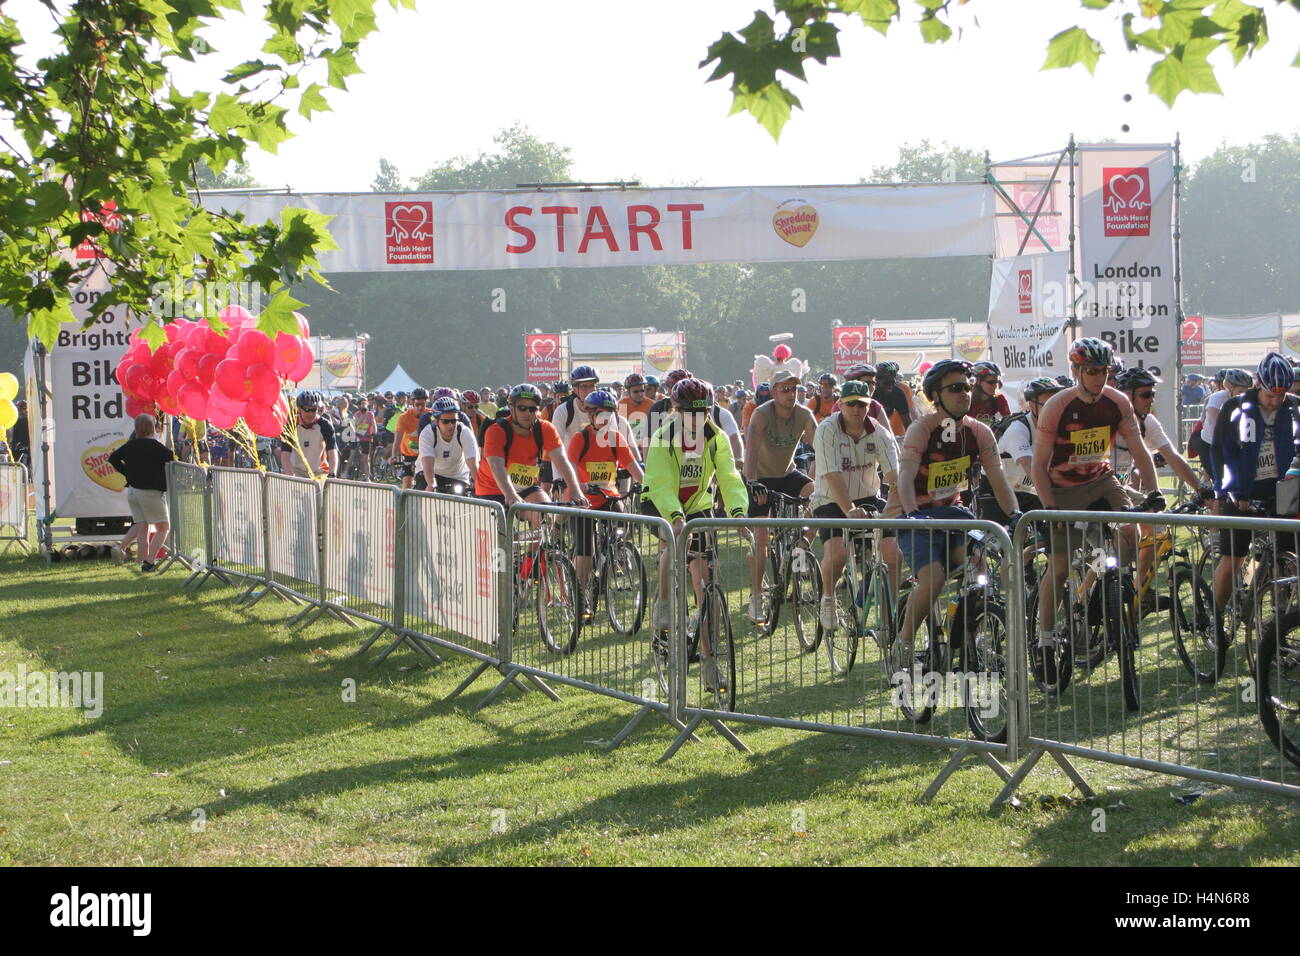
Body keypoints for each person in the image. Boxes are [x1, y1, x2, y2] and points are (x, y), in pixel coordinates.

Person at [1030, 338, 1160, 687]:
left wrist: (1154, 491)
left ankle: (1108, 587)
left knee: (1132, 531)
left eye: (1104, 370)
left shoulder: (1117, 402)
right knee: (1058, 568)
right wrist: (1050, 508)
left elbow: (1140, 451)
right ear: (1076, 371)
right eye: (1092, 371)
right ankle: (1044, 639)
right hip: (1061, 488)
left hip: (1101, 480)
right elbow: (1039, 467)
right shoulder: (1057, 406)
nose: (1099, 377)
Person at [888, 360, 1020, 674]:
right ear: (936, 394)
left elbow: (998, 480)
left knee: (977, 565)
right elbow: (905, 477)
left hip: (953, 514)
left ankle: (971, 632)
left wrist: (1015, 514)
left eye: (968, 387)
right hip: (916, 514)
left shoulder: (978, 431)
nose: (965, 393)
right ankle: (902, 644)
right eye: (955, 388)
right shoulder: (923, 428)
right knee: (933, 578)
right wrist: (913, 514)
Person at [643, 378, 748, 693]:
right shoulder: (664, 437)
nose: (698, 418)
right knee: (671, 549)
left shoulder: (715, 438)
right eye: (690, 412)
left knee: (704, 582)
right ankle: (663, 606)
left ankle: (709, 661)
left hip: (698, 505)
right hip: (660, 501)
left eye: (704, 412)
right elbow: (661, 484)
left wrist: (739, 514)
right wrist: (675, 519)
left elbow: (729, 477)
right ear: (677, 411)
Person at [1208, 353, 1300, 653]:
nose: (1275, 400)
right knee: (1232, 559)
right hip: (1242, 492)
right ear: (1259, 385)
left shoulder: (1292, 409)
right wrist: (1230, 491)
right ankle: (1216, 617)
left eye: (1281, 394)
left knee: (1286, 554)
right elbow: (1220, 450)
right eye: (1271, 394)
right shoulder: (1236, 407)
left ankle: (1278, 617)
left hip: (1280, 491)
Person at [811, 380, 900, 629]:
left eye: (862, 404)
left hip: (868, 497)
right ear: (840, 404)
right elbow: (831, 473)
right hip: (830, 498)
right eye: (851, 404)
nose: (856, 409)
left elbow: (894, 473)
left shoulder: (879, 431)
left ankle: (888, 618)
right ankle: (828, 598)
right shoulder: (827, 429)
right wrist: (849, 509)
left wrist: (898, 500)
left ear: (869, 406)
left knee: (893, 554)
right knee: (838, 552)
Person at [744, 368, 817, 623]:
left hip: (787, 473)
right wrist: (751, 483)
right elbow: (751, 450)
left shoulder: (805, 414)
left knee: (818, 496)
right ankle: (756, 596)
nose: (790, 394)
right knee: (761, 537)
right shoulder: (761, 414)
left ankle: (803, 544)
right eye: (785, 389)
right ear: (773, 392)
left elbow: (820, 446)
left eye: (794, 389)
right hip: (760, 477)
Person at [567, 390, 644, 616]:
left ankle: (614, 552)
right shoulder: (580, 438)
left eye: (608, 414)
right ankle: (580, 596)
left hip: (607, 497)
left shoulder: (615, 438)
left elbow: (633, 467)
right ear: (590, 415)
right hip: (583, 501)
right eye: (599, 414)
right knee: (585, 552)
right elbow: (569, 465)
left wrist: (648, 485)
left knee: (622, 524)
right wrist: (576, 485)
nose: (604, 419)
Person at [475, 384, 588, 520]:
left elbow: (561, 460)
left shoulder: (545, 429)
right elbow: (496, 466)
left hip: (525, 487)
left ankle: (539, 541)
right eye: (522, 408)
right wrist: (510, 494)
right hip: (492, 487)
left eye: (532, 408)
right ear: (511, 408)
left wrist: (575, 490)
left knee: (544, 513)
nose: (527, 413)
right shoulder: (496, 431)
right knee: (499, 534)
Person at [108, 413, 174, 572]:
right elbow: (171, 458)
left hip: (133, 490)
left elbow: (113, 458)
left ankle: (128, 551)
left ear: (136, 429)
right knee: (163, 527)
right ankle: (150, 561)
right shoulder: (157, 447)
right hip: (150, 492)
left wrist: (127, 473)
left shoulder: (130, 446)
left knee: (141, 526)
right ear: (153, 429)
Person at [418, 396, 479, 494]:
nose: (451, 425)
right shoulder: (427, 433)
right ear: (437, 421)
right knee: (424, 495)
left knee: (460, 504)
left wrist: (479, 484)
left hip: (457, 475)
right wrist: (431, 483)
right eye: (445, 422)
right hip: (431, 472)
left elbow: (473, 464)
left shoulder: (464, 432)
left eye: (454, 421)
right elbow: (428, 462)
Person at [280, 390, 338, 478]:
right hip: (296, 471)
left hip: (319, 471)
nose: (310, 413)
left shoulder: (325, 425)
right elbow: (285, 453)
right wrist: (289, 474)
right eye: (307, 409)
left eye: (314, 409)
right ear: (299, 409)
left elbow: (332, 451)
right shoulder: (291, 425)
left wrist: (332, 473)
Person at [390, 387, 428, 489]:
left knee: (426, 483)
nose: (420, 408)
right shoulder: (404, 417)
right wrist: (394, 458)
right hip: (409, 454)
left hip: (425, 454)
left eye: (423, 405)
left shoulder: (431, 415)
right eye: (417, 405)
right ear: (412, 403)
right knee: (407, 485)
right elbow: (397, 441)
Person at [873, 361, 916, 436]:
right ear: (876, 381)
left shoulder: (898, 393)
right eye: (886, 383)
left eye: (893, 383)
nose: (890, 387)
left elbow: (907, 420)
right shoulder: (871, 393)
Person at [969, 361, 1010, 426]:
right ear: (978, 381)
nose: (995, 385)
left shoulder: (999, 399)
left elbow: (1009, 422)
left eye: (996, 382)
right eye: (991, 382)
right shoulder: (968, 399)